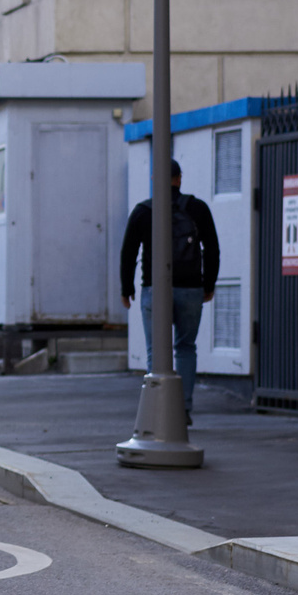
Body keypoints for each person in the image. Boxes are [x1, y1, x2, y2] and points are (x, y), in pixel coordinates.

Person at [119, 158, 220, 417]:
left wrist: (126, 287)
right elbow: (212, 249)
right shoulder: (198, 209)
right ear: (180, 178)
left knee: (156, 350)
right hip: (190, 289)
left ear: (155, 181)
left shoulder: (144, 211)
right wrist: (208, 284)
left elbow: (128, 251)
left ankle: (158, 408)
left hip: (155, 289)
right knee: (186, 347)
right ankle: (183, 408)